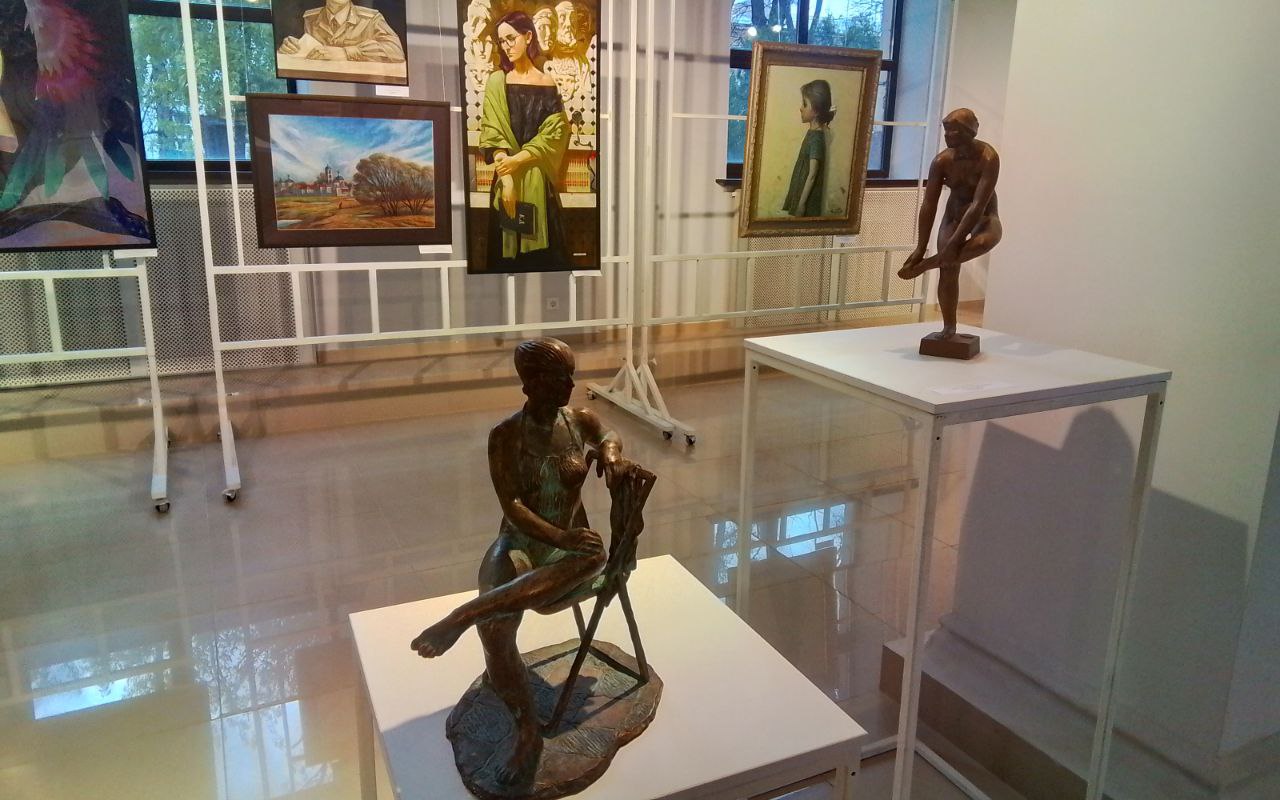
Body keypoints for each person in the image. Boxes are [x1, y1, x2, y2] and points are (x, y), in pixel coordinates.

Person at [411, 338, 633, 785]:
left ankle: (462, 615)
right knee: (496, 628)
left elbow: (608, 435)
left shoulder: (579, 420)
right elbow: (512, 505)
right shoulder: (506, 435)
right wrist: (557, 536)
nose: (570, 384)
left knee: (591, 555)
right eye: (558, 378)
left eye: (570, 375)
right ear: (531, 383)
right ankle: (527, 728)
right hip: (522, 542)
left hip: (575, 549)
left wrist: (610, 454)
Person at [897, 108, 1002, 339]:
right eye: (946, 130)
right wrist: (920, 247)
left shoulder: (988, 157)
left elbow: (978, 204)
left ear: (970, 132)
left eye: (954, 131)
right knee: (949, 269)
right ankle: (949, 327)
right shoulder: (942, 161)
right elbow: (929, 204)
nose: (947, 135)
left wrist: (954, 243)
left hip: (984, 217)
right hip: (953, 218)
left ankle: (927, 265)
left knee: (984, 242)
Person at [480, 11, 571, 272]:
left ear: (528, 36)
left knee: (546, 262)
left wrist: (517, 160)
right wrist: (507, 179)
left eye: (511, 38)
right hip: (505, 180)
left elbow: (556, 132)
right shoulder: (496, 82)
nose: (506, 46)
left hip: (538, 183)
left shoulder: (546, 82)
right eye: (502, 41)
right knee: (504, 265)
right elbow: (492, 132)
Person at [278, 0, 405, 64]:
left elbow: (396, 50)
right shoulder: (310, 18)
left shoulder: (371, 19)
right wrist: (292, 47)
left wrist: (346, 53)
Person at [782, 79, 834, 218]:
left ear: (816, 111)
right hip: (800, 191)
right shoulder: (812, 133)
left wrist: (801, 204)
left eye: (805, 104)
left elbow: (812, 175)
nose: (801, 108)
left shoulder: (816, 138)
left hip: (807, 201)